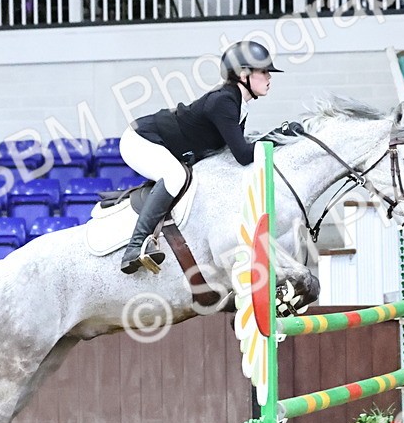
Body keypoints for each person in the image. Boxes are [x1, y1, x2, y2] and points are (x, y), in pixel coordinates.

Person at [117, 41, 282, 274]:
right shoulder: (224, 101)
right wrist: (280, 139)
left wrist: (275, 136)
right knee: (174, 176)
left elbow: (234, 151)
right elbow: (243, 155)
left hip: (158, 140)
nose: (269, 78)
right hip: (140, 139)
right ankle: (134, 247)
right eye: (264, 71)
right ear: (244, 73)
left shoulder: (236, 103)